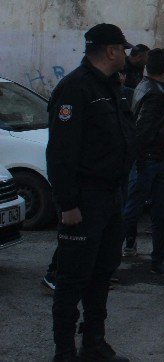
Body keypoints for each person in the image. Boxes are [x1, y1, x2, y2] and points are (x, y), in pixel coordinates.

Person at [46, 23, 134, 362]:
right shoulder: (75, 88)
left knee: (101, 274)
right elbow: (61, 152)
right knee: (72, 280)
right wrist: (67, 204)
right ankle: (64, 351)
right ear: (110, 51)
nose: (126, 54)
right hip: (84, 199)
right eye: (122, 49)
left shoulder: (111, 87)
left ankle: (94, 343)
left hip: (111, 197)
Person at [122, 48, 164, 277]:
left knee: (152, 212)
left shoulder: (144, 87)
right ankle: (156, 260)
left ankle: (158, 260)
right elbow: (145, 129)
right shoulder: (155, 93)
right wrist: (148, 156)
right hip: (149, 160)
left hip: (148, 158)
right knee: (141, 211)